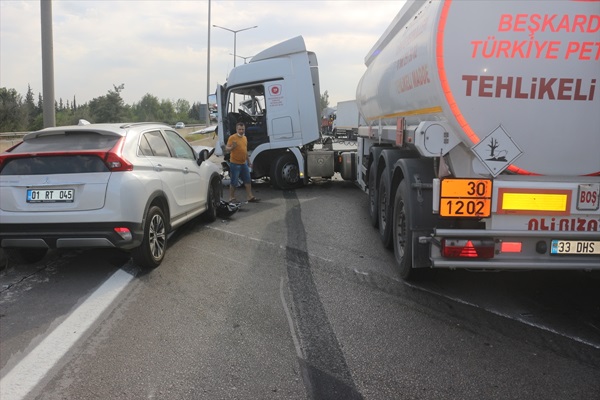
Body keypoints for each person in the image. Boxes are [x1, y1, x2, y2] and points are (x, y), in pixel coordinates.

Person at [225, 122, 260, 203]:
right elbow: (227, 149)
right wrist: (232, 147)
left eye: (242, 129)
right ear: (236, 129)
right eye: (239, 129)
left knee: (248, 180)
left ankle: (250, 196)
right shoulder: (232, 137)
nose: (241, 131)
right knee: (234, 181)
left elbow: (245, 151)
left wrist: (249, 161)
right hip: (235, 164)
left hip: (244, 163)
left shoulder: (245, 138)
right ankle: (231, 197)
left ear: (244, 129)